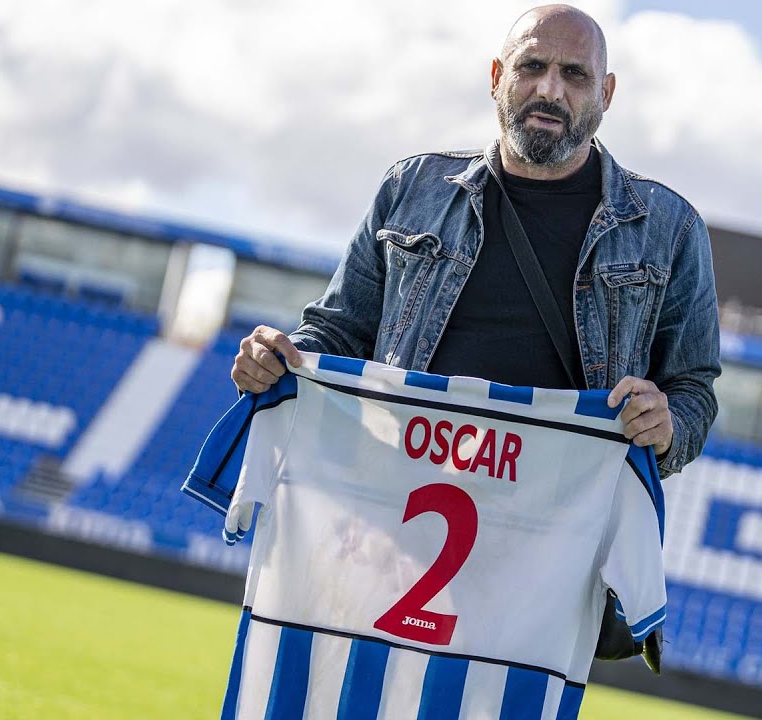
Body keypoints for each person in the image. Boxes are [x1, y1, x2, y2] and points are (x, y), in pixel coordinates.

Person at [230, 3, 719, 663]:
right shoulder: (411, 189)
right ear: (497, 75)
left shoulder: (669, 228)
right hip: (388, 528)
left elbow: (691, 390)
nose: (551, 89)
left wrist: (667, 425)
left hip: (549, 563)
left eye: (575, 74)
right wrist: (281, 359)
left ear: (605, 94)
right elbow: (335, 334)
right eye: (533, 66)